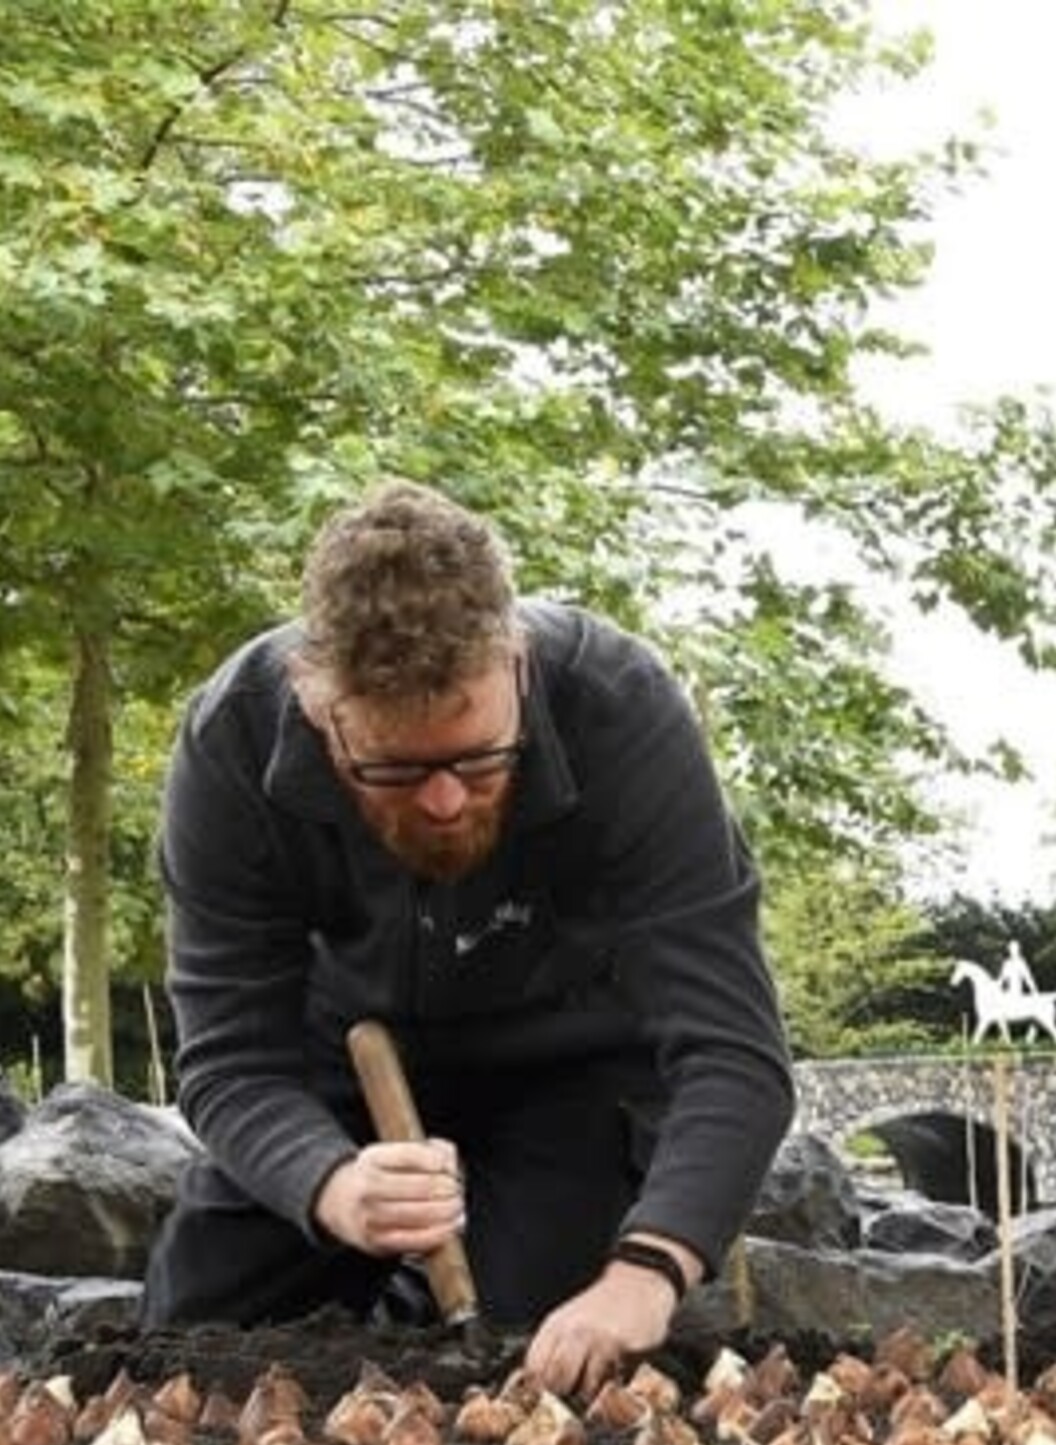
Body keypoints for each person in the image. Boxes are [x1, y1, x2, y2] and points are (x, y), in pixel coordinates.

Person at [141, 479, 795, 1395]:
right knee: (182, 1356)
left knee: (550, 1361)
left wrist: (648, 1269)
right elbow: (229, 1059)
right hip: (337, 1070)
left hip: (572, 1070)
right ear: (316, 703)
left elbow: (733, 1050)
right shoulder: (233, 738)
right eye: (394, 769)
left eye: (480, 757)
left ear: (517, 666)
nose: (446, 801)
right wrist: (330, 1184)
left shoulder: (622, 708)